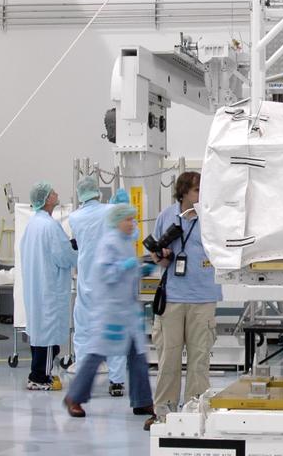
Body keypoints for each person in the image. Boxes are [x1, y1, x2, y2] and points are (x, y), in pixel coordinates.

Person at [63, 204, 156, 419]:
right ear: (117, 221)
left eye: (133, 220)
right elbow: (105, 273)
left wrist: (141, 268)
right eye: (128, 220)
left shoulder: (125, 242)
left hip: (127, 312)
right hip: (111, 311)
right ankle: (74, 397)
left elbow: (127, 273)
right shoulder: (109, 242)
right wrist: (126, 266)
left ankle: (142, 401)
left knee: (138, 357)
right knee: (95, 355)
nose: (132, 224)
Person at [151, 172, 221, 417]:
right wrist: (162, 256)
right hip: (173, 298)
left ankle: (195, 410)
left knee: (199, 359)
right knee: (168, 358)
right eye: (197, 190)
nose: (202, 194)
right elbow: (155, 255)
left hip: (203, 297)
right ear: (184, 193)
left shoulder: (211, 218)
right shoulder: (166, 216)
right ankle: (164, 411)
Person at [69, 175, 128, 396]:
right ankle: (116, 381)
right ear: (98, 192)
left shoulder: (74, 217)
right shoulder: (110, 211)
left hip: (86, 283)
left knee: (84, 331)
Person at [20, 181, 79, 390]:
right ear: (46, 200)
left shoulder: (34, 224)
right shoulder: (49, 225)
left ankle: (36, 374)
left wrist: (69, 246)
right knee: (48, 334)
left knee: (39, 331)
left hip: (37, 286)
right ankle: (40, 378)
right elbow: (63, 256)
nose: (57, 193)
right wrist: (78, 252)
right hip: (49, 288)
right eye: (53, 192)